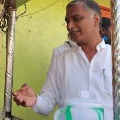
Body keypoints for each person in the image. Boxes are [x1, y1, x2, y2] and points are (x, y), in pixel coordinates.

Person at [13, 0, 113, 120]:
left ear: (96, 20)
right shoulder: (60, 58)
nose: (69, 26)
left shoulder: (114, 57)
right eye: (67, 21)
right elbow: (48, 103)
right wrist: (35, 100)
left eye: (76, 18)